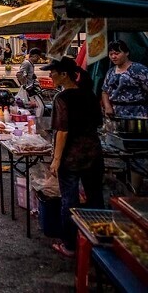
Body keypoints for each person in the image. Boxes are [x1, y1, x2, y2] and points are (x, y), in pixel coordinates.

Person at [44, 57, 104, 258]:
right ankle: (100, 243)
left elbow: (62, 131)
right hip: (94, 153)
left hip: (71, 157)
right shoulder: (89, 94)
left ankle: (69, 245)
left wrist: (56, 159)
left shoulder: (62, 98)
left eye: (53, 72)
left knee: (69, 201)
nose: (50, 75)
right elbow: (98, 122)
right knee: (96, 199)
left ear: (63, 75)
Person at [102, 40, 148, 120]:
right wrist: (107, 107)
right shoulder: (110, 72)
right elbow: (105, 92)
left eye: (117, 53)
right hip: (116, 113)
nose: (113, 57)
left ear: (126, 53)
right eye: (111, 54)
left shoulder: (139, 69)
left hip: (137, 113)